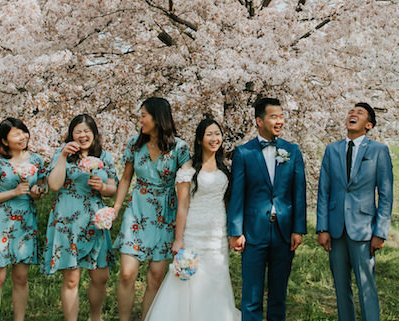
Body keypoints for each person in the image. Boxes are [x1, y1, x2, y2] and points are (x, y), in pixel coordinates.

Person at [144, 117, 240, 321]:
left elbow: (226, 202)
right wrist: (178, 239)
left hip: (218, 232)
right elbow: (183, 206)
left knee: (217, 276)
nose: (215, 138)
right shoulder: (188, 170)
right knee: (190, 279)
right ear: (199, 140)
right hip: (194, 231)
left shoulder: (225, 168)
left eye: (217, 134)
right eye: (209, 134)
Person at [228, 97, 307, 321]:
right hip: (253, 233)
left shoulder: (292, 151)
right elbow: (237, 195)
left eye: (281, 116)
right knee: (251, 297)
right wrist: (236, 232)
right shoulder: (244, 153)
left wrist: (298, 229)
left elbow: (299, 191)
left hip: (284, 233)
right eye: (274, 116)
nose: (279, 121)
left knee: (278, 296)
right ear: (259, 121)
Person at [114, 97, 191, 321]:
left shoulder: (180, 148)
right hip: (137, 211)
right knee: (127, 273)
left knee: (156, 276)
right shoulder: (134, 144)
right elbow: (126, 178)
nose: (140, 120)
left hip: (165, 215)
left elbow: (184, 195)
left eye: (143, 115)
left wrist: (179, 234)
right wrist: (116, 209)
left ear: (157, 118)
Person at [316, 102, 393, 321]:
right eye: (351, 111)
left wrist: (380, 232)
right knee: (341, 288)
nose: (353, 114)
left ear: (368, 124)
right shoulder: (332, 150)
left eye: (359, 113)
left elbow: (385, 195)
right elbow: (324, 190)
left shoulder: (379, 151)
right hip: (336, 229)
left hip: (364, 229)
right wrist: (322, 228)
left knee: (366, 287)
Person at [42, 114, 117, 321]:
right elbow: (54, 185)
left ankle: (96, 317)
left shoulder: (104, 156)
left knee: (101, 275)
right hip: (68, 219)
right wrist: (63, 157)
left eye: (86, 131)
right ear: (71, 134)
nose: (82, 135)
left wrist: (103, 187)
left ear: (94, 133)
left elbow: (113, 187)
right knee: (71, 278)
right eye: (78, 131)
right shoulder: (62, 154)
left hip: (95, 218)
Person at [0, 117, 47, 321]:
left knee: (21, 277)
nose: (23, 136)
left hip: (26, 222)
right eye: (16, 134)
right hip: (3, 221)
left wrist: (38, 192)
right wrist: (14, 192)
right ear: (4, 141)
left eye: (24, 132)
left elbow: (42, 185)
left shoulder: (36, 160)